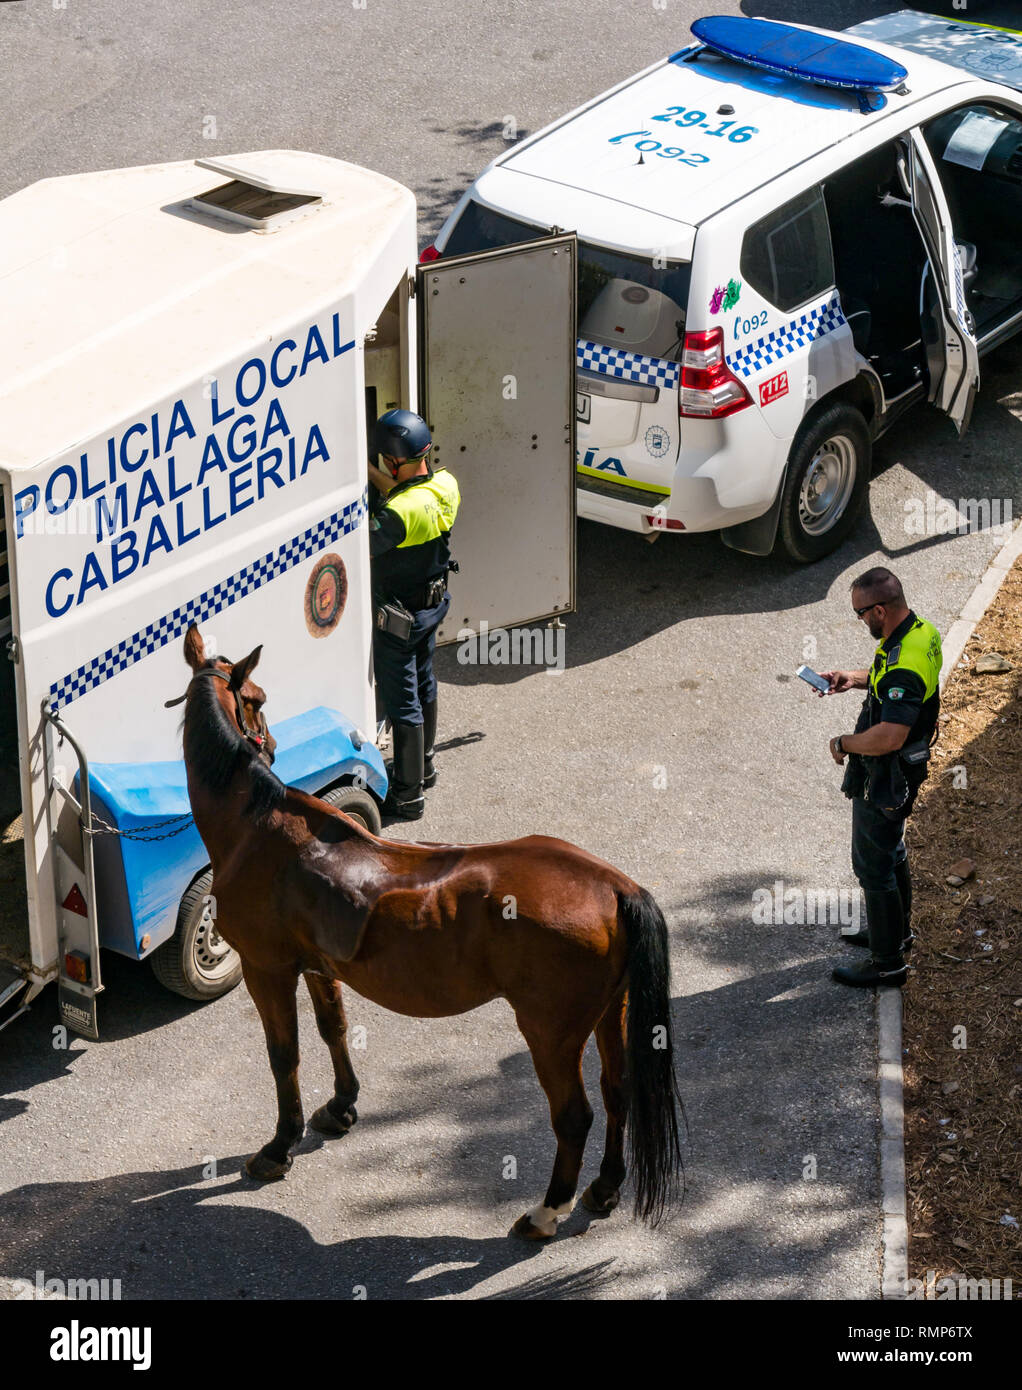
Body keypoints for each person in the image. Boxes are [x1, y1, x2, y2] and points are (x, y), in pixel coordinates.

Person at [819, 567, 942, 988]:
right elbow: (887, 678)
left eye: (860, 614)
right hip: (906, 769)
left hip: (889, 775)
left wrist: (844, 744)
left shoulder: (903, 665)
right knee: (892, 850)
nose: (859, 621)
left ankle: (887, 964)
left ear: (879, 610)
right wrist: (851, 679)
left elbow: (890, 736)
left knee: (872, 864)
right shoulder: (920, 631)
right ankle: (896, 932)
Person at [368, 409, 460, 820]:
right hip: (432, 608)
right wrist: (376, 474)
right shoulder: (446, 486)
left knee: (403, 699)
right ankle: (425, 766)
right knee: (426, 682)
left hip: (400, 620)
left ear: (391, 461)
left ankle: (407, 796)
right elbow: (410, 491)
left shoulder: (396, 516)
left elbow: (364, 542)